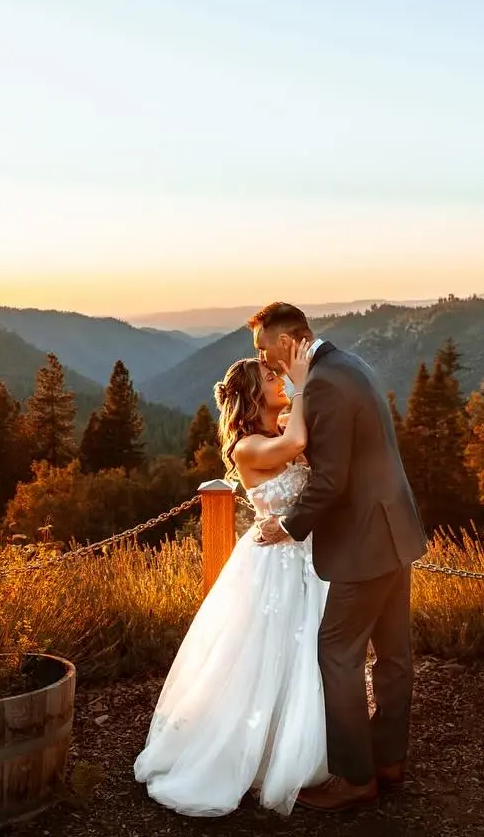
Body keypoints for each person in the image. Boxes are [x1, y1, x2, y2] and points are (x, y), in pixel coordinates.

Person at [133, 342, 327, 816]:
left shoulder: (279, 426)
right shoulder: (248, 447)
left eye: (281, 377)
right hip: (272, 566)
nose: (279, 379)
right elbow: (296, 447)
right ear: (253, 396)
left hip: (307, 560)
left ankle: (295, 747)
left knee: (308, 656)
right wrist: (303, 384)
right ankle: (243, 755)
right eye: (270, 377)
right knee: (262, 657)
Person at [250, 302, 428, 814]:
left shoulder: (324, 383)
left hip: (363, 544)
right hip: (395, 531)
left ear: (287, 342)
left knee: (338, 653)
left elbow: (330, 480)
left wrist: (285, 527)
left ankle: (355, 777)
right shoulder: (352, 364)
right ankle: (389, 760)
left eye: (265, 348)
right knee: (394, 656)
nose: (265, 359)